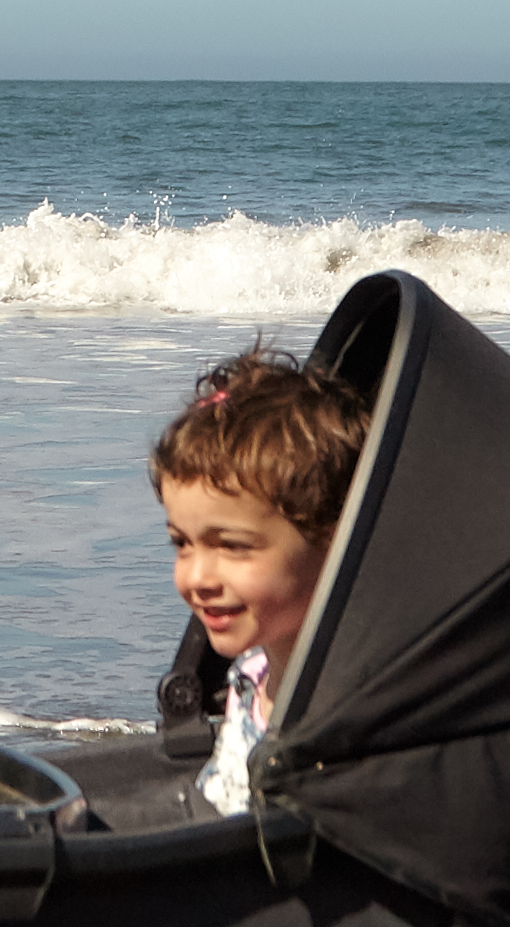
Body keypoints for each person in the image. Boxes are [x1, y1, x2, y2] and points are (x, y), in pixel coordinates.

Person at [154, 343, 369, 814]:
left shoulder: (340, 717)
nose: (197, 576)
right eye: (181, 543)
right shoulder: (253, 674)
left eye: (231, 546)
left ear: (334, 540)